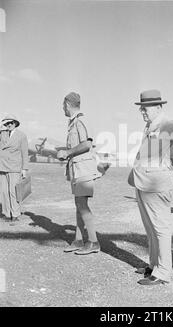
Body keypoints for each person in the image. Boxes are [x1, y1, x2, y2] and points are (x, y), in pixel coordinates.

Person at [128, 89, 173, 286]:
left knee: (160, 228)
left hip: (157, 184)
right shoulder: (151, 125)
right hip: (145, 182)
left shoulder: (166, 123)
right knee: (150, 228)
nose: (143, 112)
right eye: (141, 109)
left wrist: (169, 159)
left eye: (146, 108)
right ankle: (154, 265)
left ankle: (163, 272)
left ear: (158, 107)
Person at [57, 92, 102, 255]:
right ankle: (78, 240)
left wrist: (67, 152)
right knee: (79, 205)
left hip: (84, 170)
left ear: (68, 104)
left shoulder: (81, 120)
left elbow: (87, 144)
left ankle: (93, 242)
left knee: (82, 205)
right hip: (77, 169)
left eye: (63, 105)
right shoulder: (73, 122)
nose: (62, 108)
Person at [0, 115, 29, 222]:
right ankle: (7, 214)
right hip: (2, 166)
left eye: (11, 123)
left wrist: (24, 169)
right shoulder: (2, 134)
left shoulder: (21, 135)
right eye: (6, 123)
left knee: (13, 192)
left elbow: (24, 153)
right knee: (3, 192)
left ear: (15, 123)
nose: (8, 125)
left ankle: (15, 214)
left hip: (14, 167)